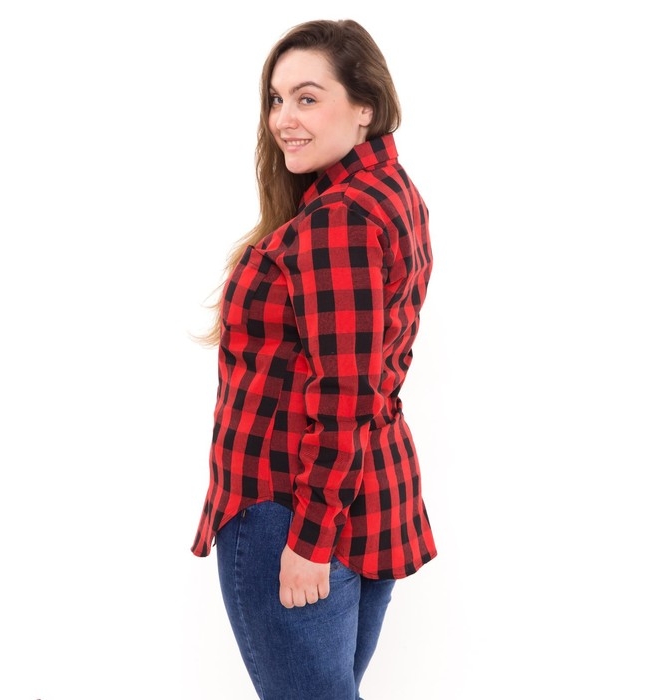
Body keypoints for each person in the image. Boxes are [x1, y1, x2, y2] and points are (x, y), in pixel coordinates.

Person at [191, 18, 437, 700]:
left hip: (295, 510)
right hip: (369, 496)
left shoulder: (339, 219)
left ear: (366, 107)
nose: (283, 120)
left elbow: (344, 394)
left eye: (307, 97)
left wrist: (309, 540)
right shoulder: (390, 189)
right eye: (276, 99)